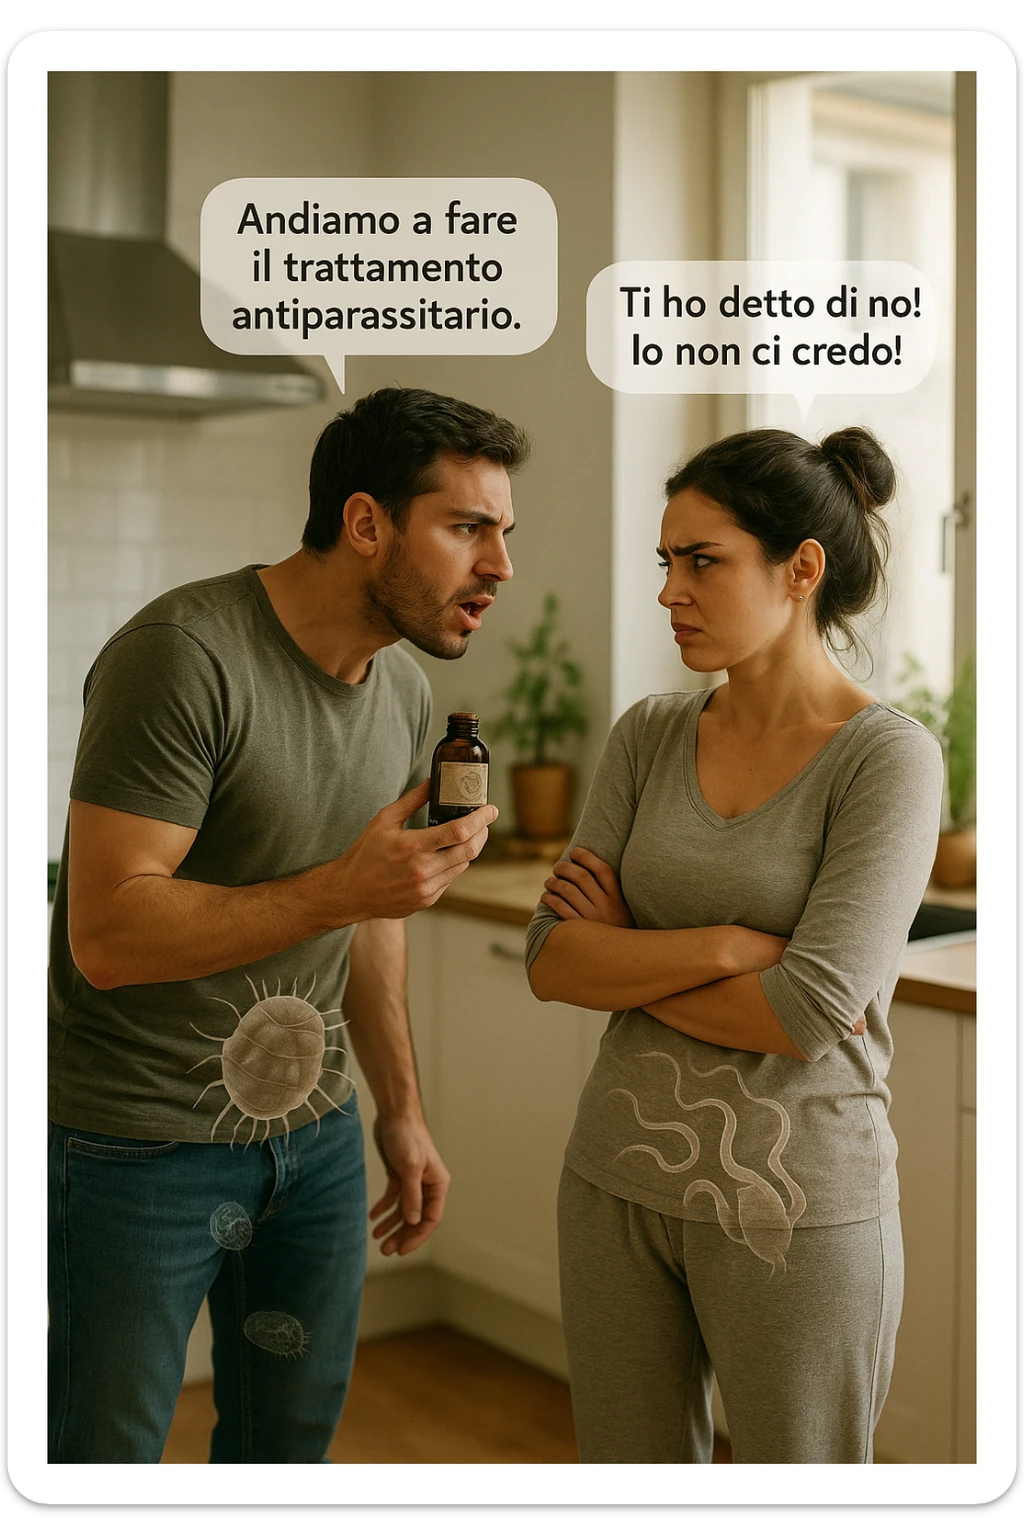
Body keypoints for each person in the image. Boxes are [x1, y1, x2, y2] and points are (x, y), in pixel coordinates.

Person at [48, 386, 529, 1464]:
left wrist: (399, 1112)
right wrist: (345, 891)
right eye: (467, 529)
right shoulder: (184, 656)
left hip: (310, 1150)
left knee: (285, 1451)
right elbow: (109, 936)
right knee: (100, 1451)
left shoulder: (402, 695)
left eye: (503, 535)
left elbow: (375, 910)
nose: (498, 567)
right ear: (366, 523)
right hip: (137, 1147)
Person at [525, 426, 944, 1464]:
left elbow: (803, 1016)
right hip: (614, 1181)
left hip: (796, 1205)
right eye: (666, 561)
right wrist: (722, 946)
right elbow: (551, 959)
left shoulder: (885, 761)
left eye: (700, 560)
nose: (670, 589)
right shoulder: (649, 732)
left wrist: (625, 952)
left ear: (799, 568)